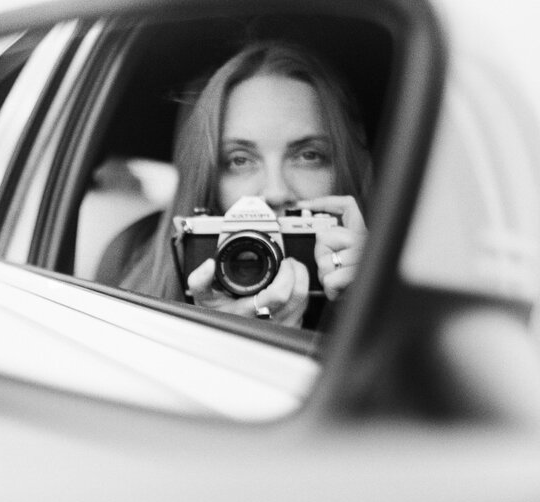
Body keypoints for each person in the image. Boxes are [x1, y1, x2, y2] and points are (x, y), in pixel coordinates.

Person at [112, 40, 372, 327]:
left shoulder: (381, 286)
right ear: (208, 180)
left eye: (309, 156)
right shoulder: (134, 274)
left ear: (348, 167)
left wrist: (367, 303)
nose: (275, 192)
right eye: (240, 160)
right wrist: (213, 330)